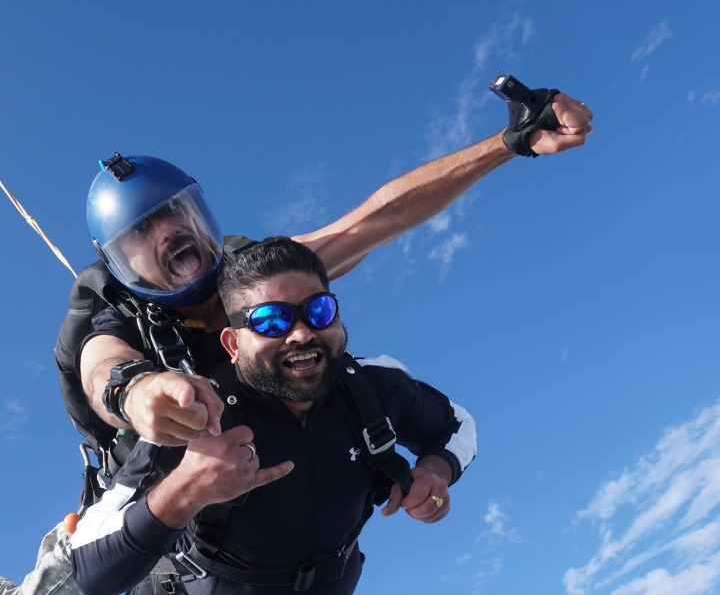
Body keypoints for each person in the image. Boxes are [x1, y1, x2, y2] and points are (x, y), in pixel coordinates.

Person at [0, 79, 585, 595]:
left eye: (178, 215)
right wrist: (144, 395)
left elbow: (379, 218)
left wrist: (508, 143)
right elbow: (105, 367)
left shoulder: (255, 282)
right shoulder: (110, 307)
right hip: (155, 480)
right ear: (120, 262)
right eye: (142, 237)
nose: (173, 238)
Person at [69, 237, 476, 595]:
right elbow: (90, 571)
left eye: (318, 311)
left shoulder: (372, 387)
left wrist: (436, 471)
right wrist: (185, 491)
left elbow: (456, 424)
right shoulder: (197, 416)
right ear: (232, 344)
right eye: (271, 320)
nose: (301, 333)